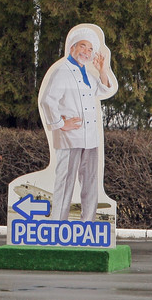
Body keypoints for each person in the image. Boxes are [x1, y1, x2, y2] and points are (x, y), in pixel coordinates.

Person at [39, 26, 112, 221]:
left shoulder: (85, 72)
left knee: (90, 182)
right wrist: (61, 124)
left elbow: (103, 90)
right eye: (83, 46)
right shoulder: (62, 71)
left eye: (90, 49)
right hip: (70, 138)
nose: (86, 52)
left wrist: (102, 70)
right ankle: (58, 224)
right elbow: (47, 101)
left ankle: (87, 222)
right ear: (72, 47)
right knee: (66, 182)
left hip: (90, 138)